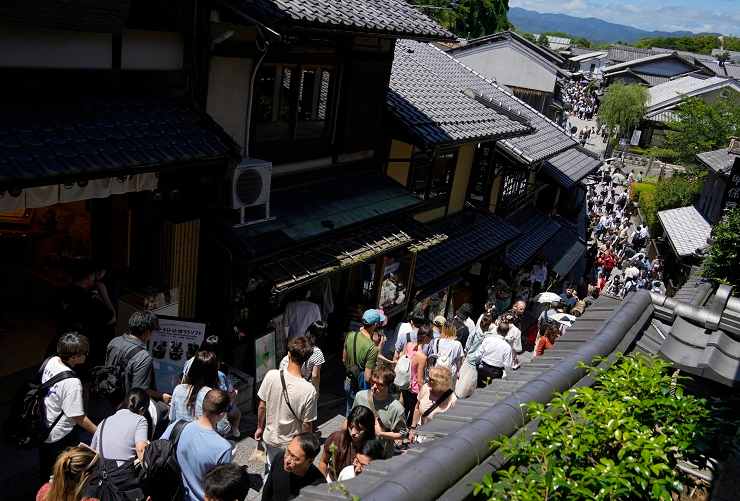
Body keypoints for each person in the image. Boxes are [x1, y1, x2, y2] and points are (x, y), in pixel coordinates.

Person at [255, 336, 318, 474]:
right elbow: (307, 425)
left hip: (270, 438)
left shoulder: (271, 375)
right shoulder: (309, 390)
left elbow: (261, 406)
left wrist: (260, 427)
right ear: (306, 360)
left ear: (288, 354)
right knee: (285, 476)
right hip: (291, 445)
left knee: (271, 470)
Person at [40, 332, 97, 478]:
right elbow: (78, 416)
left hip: (43, 427)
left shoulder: (51, 361)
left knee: (47, 470)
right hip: (60, 435)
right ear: (74, 357)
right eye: (84, 353)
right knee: (62, 473)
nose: (86, 355)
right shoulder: (72, 383)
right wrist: (99, 431)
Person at [105, 311, 171, 437]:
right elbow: (140, 391)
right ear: (147, 332)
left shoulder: (114, 342)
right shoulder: (143, 356)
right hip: (126, 406)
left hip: (109, 399)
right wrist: (161, 396)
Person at [162, 389, 233, 501]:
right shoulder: (223, 448)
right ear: (222, 414)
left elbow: (159, 451)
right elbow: (220, 488)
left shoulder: (178, 426)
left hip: (173, 495)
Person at [183, 336, 241, 438]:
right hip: (212, 414)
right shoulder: (219, 375)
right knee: (234, 413)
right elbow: (226, 395)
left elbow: (184, 381)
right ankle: (235, 429)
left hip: (191, 403)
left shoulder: (190, 363)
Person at [171, 351, 231, 436]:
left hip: (180, 438)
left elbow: (172, 419)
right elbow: (223, 428)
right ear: (214, 373)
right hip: (203, 442)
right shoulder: (213, 396)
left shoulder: (178, 389)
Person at [352, 367, 407, 459]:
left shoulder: (396, 408)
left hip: (381, 456)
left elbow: (403, 434)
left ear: (388, 386)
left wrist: (381, 434)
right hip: (359, 452)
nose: (374, 387)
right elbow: (351, 419)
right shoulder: (360, 396)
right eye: (372, 382)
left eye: (379, 385)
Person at [90, 388, 149, 465]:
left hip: (101, 472)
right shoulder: (140, 420)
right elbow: (141, 450)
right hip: (123, 474)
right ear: (142, 409)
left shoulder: (104, 422)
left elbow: (92, 451)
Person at [318, 405, 376, 482]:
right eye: (351, 427)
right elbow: (323, 462)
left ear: (368, 429)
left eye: (359, 429)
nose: (353, 433)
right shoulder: (336, 438)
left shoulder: (373, 448)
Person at [262, 433, 325, 501]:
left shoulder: (318, 487)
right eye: (288, 451)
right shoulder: (279, 458)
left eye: (295, 458)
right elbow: (268, 490)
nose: (287, 460)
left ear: (309, 461)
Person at [343, 309, 383, 416]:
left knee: (349, 412)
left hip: (349, 380)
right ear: (374, 325)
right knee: (360, 416)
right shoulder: (372, 348)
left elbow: (343, 359)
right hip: (361, 387)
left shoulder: (350, 335)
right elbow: (367, 376)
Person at [400, 324, 432, 425]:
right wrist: (426, 392)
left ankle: (399, 434)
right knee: (413, 412)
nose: (431, 339)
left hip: (405, 384)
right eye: (431, 337)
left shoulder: (409, 345)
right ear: (426, 338)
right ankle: (406, 434)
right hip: (414, 389)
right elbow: (419, 380)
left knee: (404, 410)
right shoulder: (422, 356)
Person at [410, 366, 457, 436]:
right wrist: (413, 428)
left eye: (431, 379)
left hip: (438, 437)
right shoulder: (425, 388)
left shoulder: (452, 399)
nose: (427, 380)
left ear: (441, 382)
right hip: (422, 433)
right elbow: (417, 409)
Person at [279, 326, 325, 396]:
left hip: (288, 390)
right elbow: (315, 375)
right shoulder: (317, 353)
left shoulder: (285, 360)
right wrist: (316, 390)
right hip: (305, 389)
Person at [470, 323, 513, 387]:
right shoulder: (507, 347)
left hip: (483, 370)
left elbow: (478, 355)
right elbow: (507, 365)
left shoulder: (488, 340)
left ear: (497, 330)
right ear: (507, 333)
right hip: (496, 373)